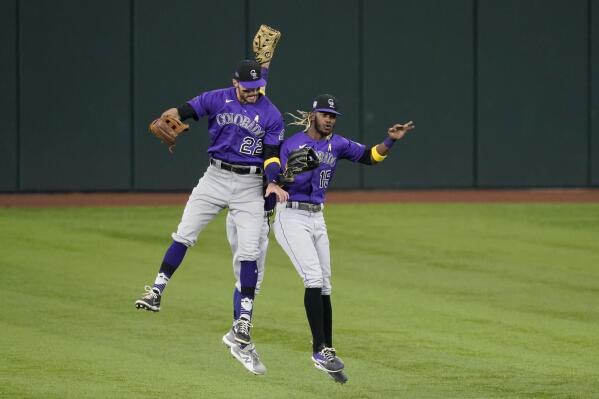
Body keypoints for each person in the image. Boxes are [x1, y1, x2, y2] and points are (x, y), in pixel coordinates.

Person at [134, 58, 288, 374]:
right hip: (215, 177)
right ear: (235, 84)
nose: (252, 93)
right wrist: (172, 114)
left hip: (249, 184)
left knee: (249, 252)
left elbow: (271, 154)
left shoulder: (271, 114)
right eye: (246, 88)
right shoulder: (216, 98)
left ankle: (243, 320)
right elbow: (187, 109)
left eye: (256, 88)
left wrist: (273, 179)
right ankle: (156, 290)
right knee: (184, 233)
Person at [272, 94, 415, 380]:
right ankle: (317, 350)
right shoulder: (290, 144)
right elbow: (275, 181)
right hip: (291, 215)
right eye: (325, 114)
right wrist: (287, 175)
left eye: (333, 116)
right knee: (312, 278)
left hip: (317, 217)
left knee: (325, 284)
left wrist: (391, 140)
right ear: (313, 115)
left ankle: (328, 350)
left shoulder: (337, 144)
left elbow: (370, 157)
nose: (329, 119)